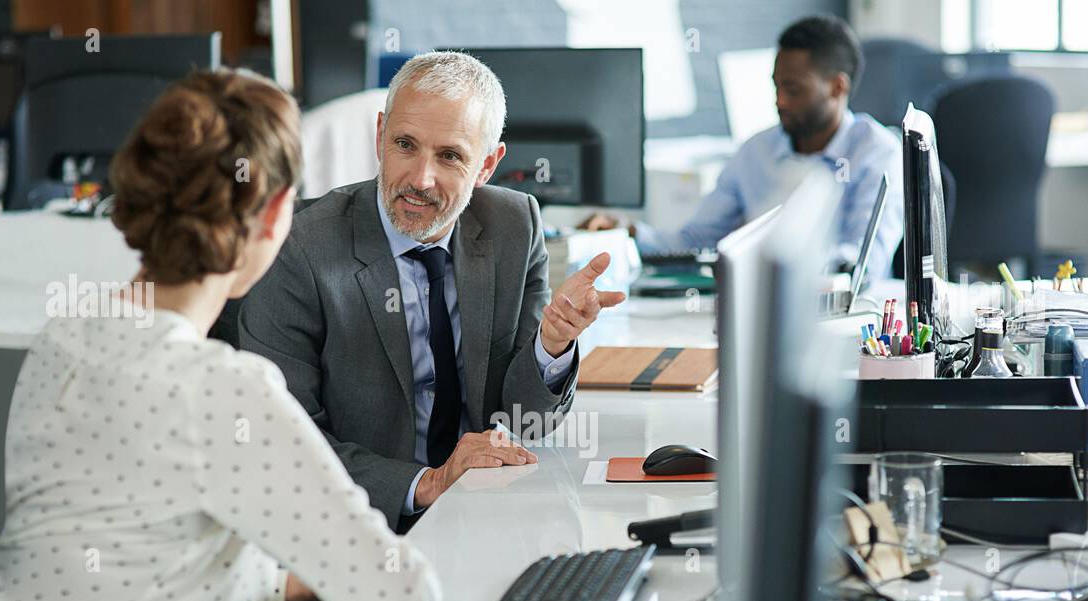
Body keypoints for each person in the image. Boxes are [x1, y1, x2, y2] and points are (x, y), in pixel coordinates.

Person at [0, 69, 442, 601]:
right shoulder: (223, 388)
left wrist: (283, 586)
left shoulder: (67, 336)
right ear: (276, 217)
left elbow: (131, 561)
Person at [239, 51, 626, 532]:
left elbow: (528, 422)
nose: (420, 179)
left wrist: (552, 344)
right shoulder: (297, 247)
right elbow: (281, 445)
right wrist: (429, 483)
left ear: (487, 164)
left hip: (485, 512)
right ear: (380, 136)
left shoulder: (512, 224)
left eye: (449, 156)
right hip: (353, 528)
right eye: (405, 144)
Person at [583, 14, 903, 281]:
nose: (779, 101)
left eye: (793, 89)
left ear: (837, 87)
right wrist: (630, 232)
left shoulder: (877, 153)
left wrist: (773, 269)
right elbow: (696, 241)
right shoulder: (756, 151)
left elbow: (863, 264)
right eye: (776, 86)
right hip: (760, 316)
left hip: (847, 323)